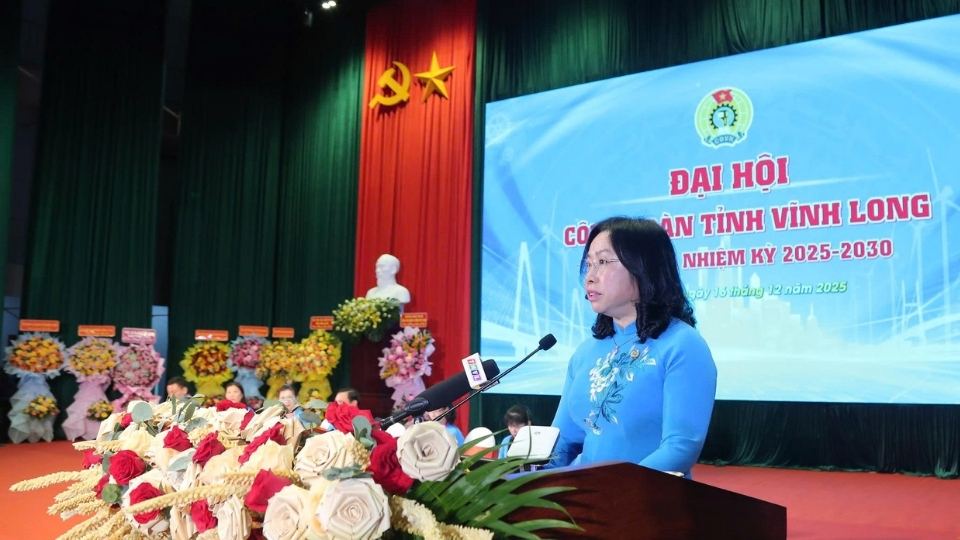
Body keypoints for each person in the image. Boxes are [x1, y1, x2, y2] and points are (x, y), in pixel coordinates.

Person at [548, 217, 716, 478]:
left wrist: (617, 491)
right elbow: (563, 441)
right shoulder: (585, 353)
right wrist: (527, 480)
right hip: (587, 504)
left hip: (648, 505)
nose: (590, 277)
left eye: (603, 262)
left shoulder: (682, 345)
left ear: (642, 268)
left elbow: (681, 446)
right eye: (589, 264)